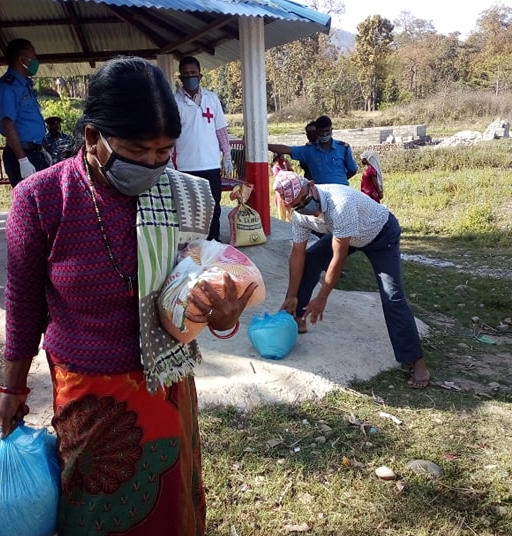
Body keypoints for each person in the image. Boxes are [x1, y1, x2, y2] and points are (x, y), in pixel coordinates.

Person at [0, 56, 259, 536]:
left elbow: (195, 284)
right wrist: (12, 389)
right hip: (90, 393)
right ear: (93, 137)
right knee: (97, 507)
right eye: (139, 150)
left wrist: (220, 312)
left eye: (164, 152)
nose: (154, 164)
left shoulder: (186, 196)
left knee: (166, 505)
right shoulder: (41, 199)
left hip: (165, 380)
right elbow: (24, 303)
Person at [272, 172, 430, 389]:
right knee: (309, 260)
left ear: (311, 185)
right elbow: (297, 253)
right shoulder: (300, 215)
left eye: (305, 200)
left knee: (391, 295)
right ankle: (297, 316)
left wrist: (322, 297)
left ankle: (415, 359)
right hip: (347, 234)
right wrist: (291, 296)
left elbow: (339, 257)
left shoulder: (340, 204)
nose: (303, 207)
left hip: (380, 234)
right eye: (297, 205)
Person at [172, 55, 233, 241]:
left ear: (200, 75)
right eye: (186, 74)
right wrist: (168, 162)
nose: (190, 76)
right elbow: (171, 136)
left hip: (211, 164)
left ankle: (213, 241)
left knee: (213, 206)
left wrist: (228, 156)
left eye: (193, 73)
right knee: (189, 209)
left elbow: (221, 130)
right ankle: (192, 245)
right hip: (186, 167)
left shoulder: (212, 99)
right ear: (180, 77)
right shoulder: (174, 102)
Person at [0, 38, 50, 187]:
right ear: (22, 59)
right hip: (23, 154)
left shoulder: (25, 86)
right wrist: (23, 160)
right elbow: (8, 125)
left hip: (35, 152)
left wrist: (42, 151)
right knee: (30, 205)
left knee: (44, 203)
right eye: (34, 56)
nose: (36, 60)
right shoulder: (7, 87)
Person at [268, 115, 357, 186]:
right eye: (321, 131)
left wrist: (338, 180)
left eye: (327, 130)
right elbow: (287, 149)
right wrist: (264, 146)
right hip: (321, 194)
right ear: (317, 132)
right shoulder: (308, 151)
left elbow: (353, 170)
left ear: (331, 129)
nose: (325, 134)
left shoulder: (343, 148)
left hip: (342, 190)